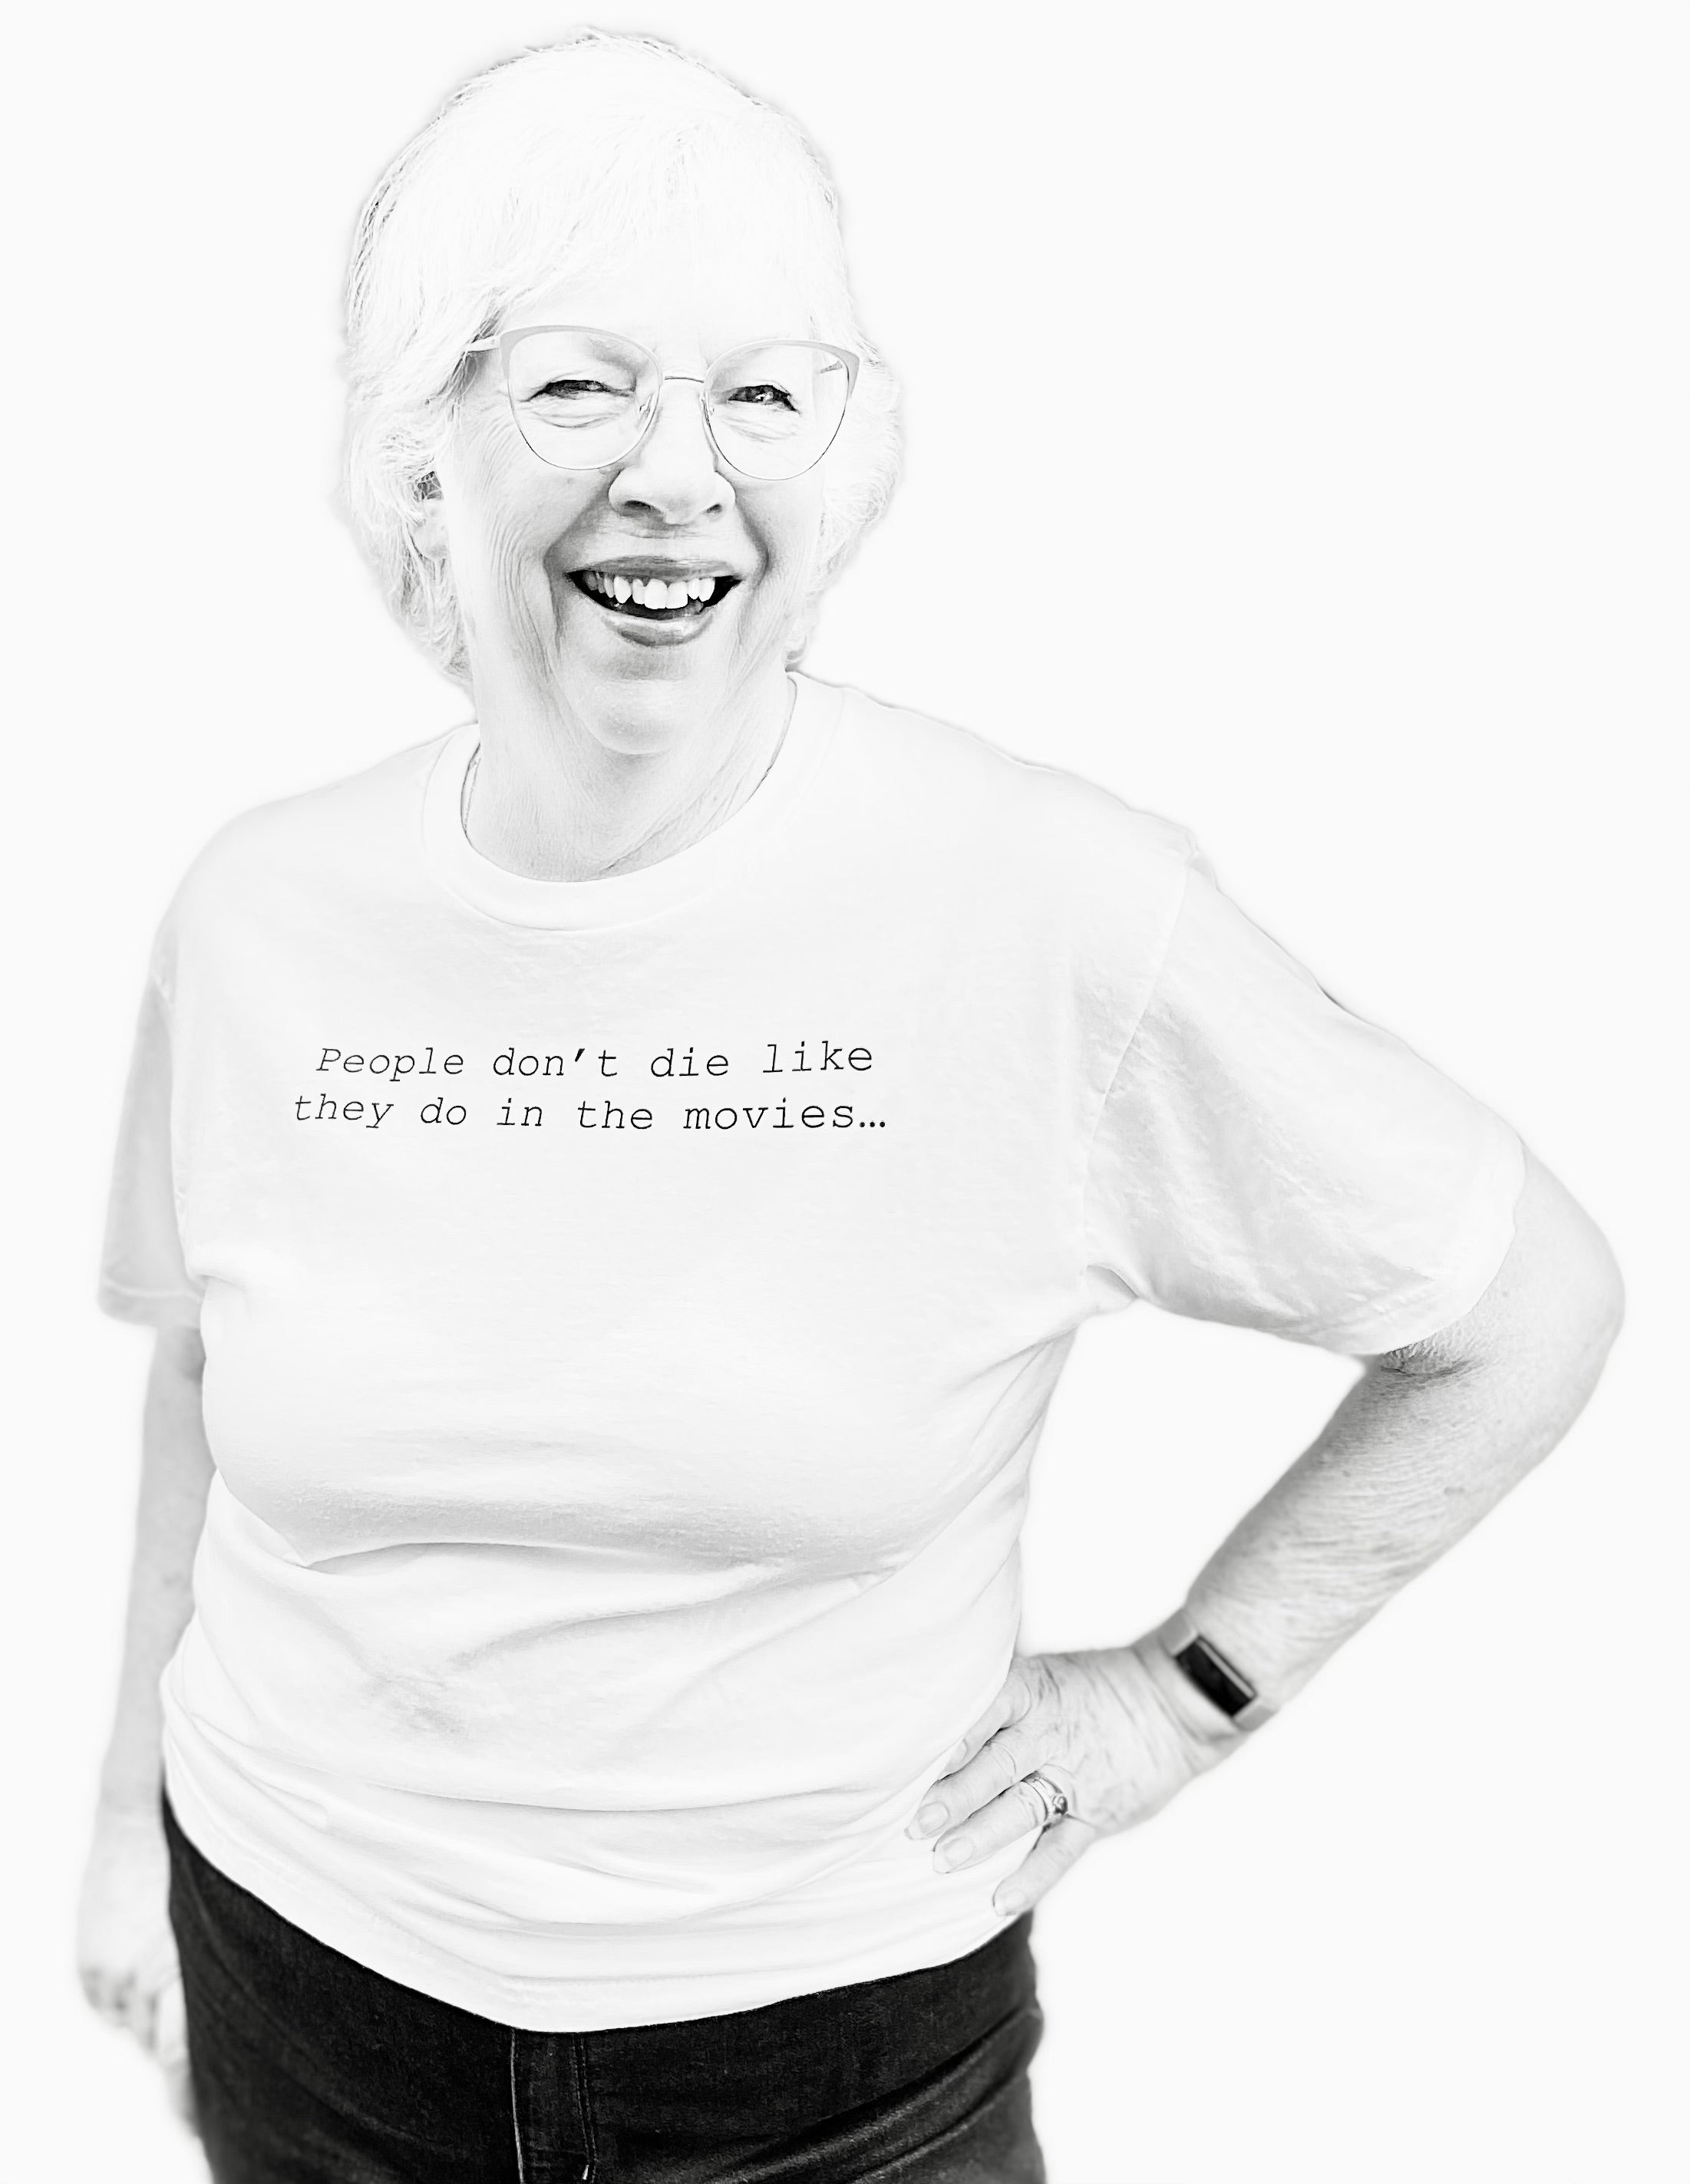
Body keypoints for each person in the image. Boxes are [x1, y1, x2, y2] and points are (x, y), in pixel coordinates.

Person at [77, 29, 1624, 2184]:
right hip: (301, 1990)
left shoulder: (1047, 905)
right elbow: (202, 1376)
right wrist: (117, 1830)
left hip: (825, 2072)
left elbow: (1518, 1307)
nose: (678, 475)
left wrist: (1179, 1700)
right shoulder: (261, 907)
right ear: (423, 447)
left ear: (846, 460)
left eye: (763, 394)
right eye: (578, 383)